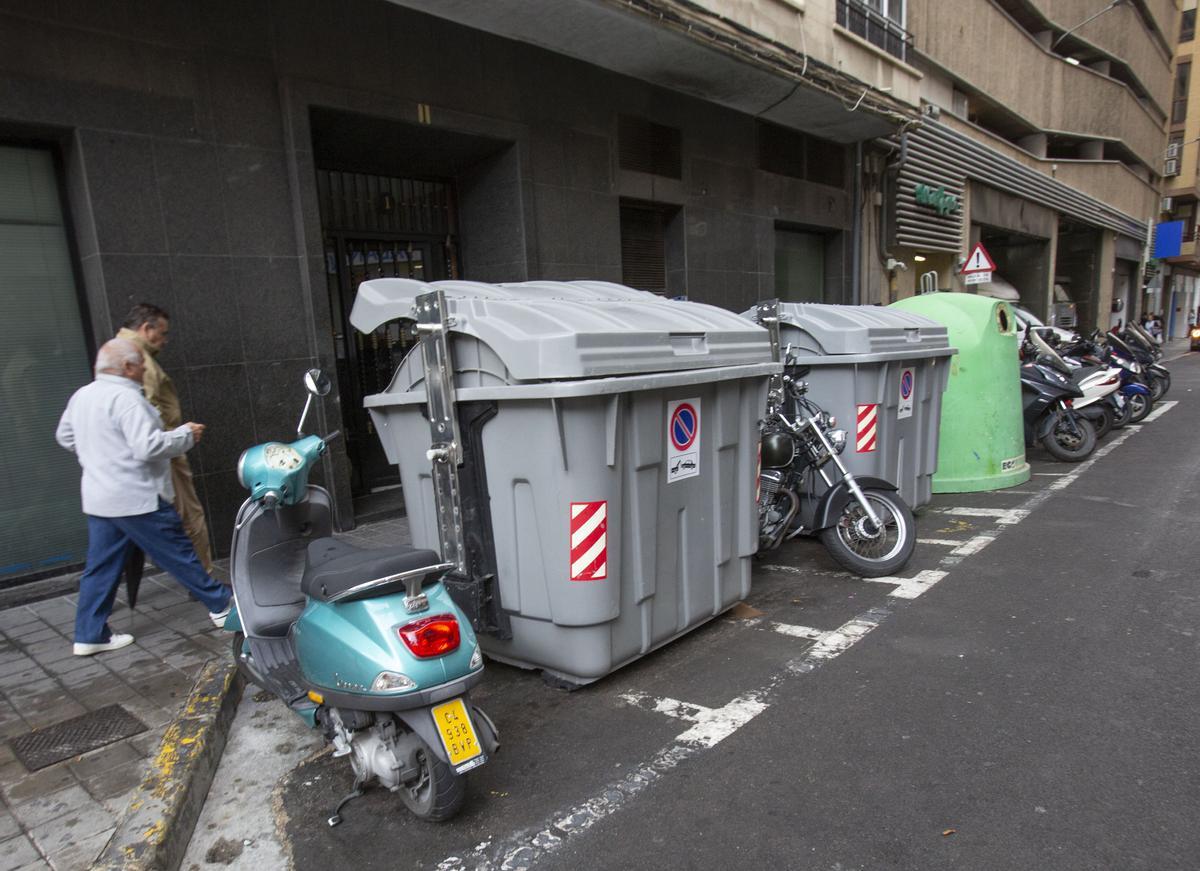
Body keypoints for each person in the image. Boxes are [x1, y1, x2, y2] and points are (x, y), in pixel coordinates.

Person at [56, 337, 231, 655]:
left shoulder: (82, 396)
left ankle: (89, 633)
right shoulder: (127, 399)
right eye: (140, 363)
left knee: (100, 566)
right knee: (179, 554)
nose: (144, 369)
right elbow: (148, 446)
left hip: (100, 497)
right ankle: (222, 607)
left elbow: (65, 436)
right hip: (137, 496)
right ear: (126, 367)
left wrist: (101, 456)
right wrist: (184, 436)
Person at [117, 303, 215, 574]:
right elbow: (146, 412)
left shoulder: (115, 352)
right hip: (164, 451)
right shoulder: (136, 359)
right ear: (146, 329)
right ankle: (203, 579)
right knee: (190, 517)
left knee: (118, 535)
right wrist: (181, 436)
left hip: (137, 459)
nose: (165, 340)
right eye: (162, 333)